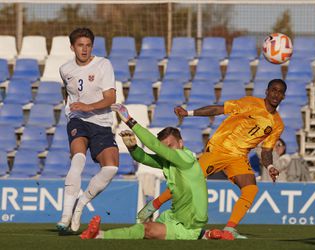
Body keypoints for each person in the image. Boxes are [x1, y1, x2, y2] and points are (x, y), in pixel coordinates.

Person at [137, 78, 286, 239]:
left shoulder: (278, 124)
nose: (276, 94)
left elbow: (266, 150)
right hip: (219, 149)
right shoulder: (250, 103)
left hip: (239, 157)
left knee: (251, 189)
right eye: (273, 90)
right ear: (267, 91)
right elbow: (218, 109)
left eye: (280, 92)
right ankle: (154, 204)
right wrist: (189, 113)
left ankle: (229, 229)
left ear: (283, 96)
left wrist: (270, 167)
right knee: (188, 181)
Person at [80, 103, 231, 240]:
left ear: (181, 143)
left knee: (147, 230)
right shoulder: (170, 161)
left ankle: (99, 235)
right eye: (164, 147)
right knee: (143, 226)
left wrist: (129, 120)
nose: (166, 151)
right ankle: (207, 235)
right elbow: (143, 158)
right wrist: (132, 147)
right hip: (173, 216)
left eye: (169, 146)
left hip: (188, 225)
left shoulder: (185, 158)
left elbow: (154, 145)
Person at [57, 27, 119, 232]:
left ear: (92, 46)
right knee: (78, 158)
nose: (84, 49)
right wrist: (72, 109)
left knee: (111, 167)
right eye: (80, 45)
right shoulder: (65, 69)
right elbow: (66, 90)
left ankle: (80, 205)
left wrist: (88, 106)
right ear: (72, 47)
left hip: (101, 121)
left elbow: (111, 98)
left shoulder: (103, 64)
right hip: (78, 120)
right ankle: (65, 216)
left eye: (88, 45)